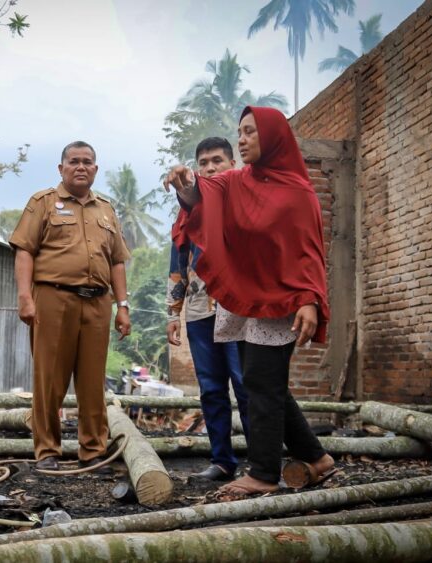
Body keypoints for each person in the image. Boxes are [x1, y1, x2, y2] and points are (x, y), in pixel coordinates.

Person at [164, 106, 335, 496]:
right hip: (247, 299)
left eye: (250, 133)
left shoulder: (298, 192)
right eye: (239, 133)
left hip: (283, 300)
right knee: (266, 382)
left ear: (273, 137)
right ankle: (317, 457)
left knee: (259, 383)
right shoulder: (237, 181)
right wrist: (186, 184)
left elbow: (308, 250)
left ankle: (263, 473)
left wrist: (310, 299)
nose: (242, 140)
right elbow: (201, 195)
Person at [10, 141, 131, 471]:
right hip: (53, 298)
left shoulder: (106, 209)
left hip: (98, 303)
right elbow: (24, 251)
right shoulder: (43, 203)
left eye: (87, 162)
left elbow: (118, 261)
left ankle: (92, 450)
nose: (81, 167)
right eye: (73, 161)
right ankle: (47, 451)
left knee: (93, 381)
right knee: (50, 378)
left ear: (95, 169)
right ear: (61, 168)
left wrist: (123, 306)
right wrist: (24, 297)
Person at [166, 137, 249, 482]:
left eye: (217, 160)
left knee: (246, 386)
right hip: (200, 312)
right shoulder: (187, 215)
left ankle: (261, 462)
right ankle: (222, 461)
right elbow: (178, 265)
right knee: (211, 388)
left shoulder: (243, 201)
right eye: (204, 162)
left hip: (239, 310)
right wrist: (173, 313)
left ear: (232, 164)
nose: (211, 167)